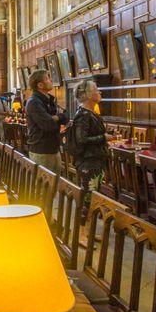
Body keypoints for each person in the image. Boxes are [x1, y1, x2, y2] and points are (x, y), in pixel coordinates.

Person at [68, 80, 113, 214]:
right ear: (87, 94)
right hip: (88, 161)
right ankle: (84, 229)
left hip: (95, 160)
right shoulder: (83, 115)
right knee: (89, 199)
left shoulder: (90, 113)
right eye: (95, 89)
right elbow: (81, 140)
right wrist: (103, 137)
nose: (99, 92)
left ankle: (89, 230)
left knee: (94, 197)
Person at [25, 69, 68, 173]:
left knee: (56, 185)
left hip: (53, 148)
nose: (51, 80)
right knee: (42, 187)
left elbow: (65, 116)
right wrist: (56, 118)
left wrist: (56, 117)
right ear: (40, 85)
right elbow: (48, 125)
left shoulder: (50, 100)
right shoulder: (34, 102)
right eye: (47, 78)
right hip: (41, 150)